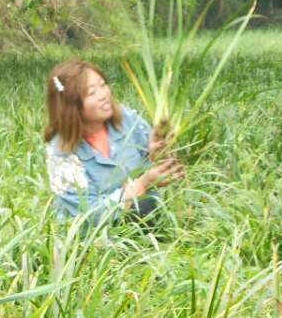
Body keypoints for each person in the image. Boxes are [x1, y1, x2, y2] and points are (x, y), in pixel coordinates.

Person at [44, 60, 185, 227]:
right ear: (70, 105)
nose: (104, 95)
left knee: (147, 206)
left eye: (103, 85)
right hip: (90, 235)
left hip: (140, 218)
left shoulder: (127, 120)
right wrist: (142, 184)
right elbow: (88, 215)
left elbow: (156, 168)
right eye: (91, 93)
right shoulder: (61, 153)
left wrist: (158, 155)